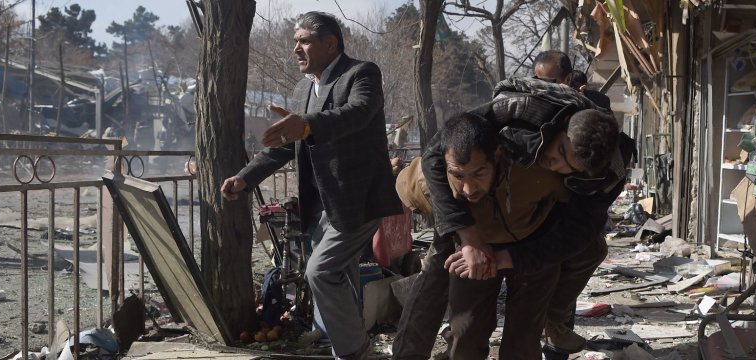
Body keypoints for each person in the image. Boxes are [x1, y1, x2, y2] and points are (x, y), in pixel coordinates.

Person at [220, 11, 401, 359]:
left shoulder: (361, 73)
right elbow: (289, 144)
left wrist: (305, 125)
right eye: (295, 43)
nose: (296, 49)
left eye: (304, 41)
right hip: (319, 206)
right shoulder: (303, 88)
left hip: (357, 200)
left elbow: (357, 114)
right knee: (340, 281)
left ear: (330, 44)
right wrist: (246, 177)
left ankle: (356, 353)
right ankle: (346, 348)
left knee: (320, 272)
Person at [397, 113, 570, 359]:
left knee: (523, 338)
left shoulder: (538, 169)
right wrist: (465, 236)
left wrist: (526, 256)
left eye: (478, 173)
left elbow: (576, 226)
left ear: (497, 155)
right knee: (463, 333)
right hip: (472, 254)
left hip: (533, 246)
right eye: (458, 176)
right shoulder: (434, 185)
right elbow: (407, 185)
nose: (468, 189)